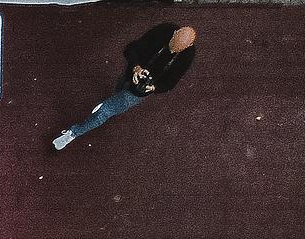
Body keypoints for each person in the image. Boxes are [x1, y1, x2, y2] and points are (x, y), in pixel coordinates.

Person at [50, 24, 196, 150]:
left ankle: (73, 133)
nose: (172, 49)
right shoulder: (163, 30)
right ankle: (111, 102)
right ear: (175, 33)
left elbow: (171, 82)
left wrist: (154, 87)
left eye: (177, 50)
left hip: (139, 92)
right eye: (172, 44)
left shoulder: (187, 56)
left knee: (105, 112)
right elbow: (131, 49)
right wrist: (136, 67)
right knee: (120, 86)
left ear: (187, 47)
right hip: (130, 72)